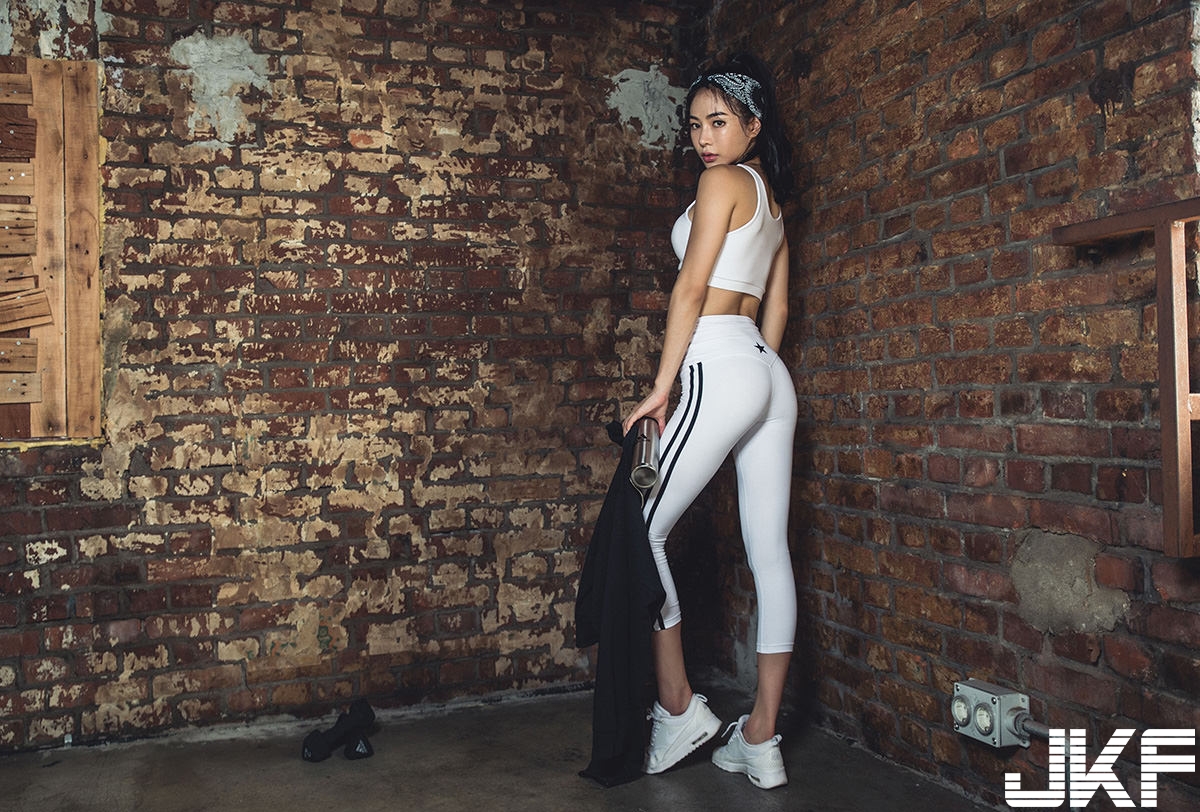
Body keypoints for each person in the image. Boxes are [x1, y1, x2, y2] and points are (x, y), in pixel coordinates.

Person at [620, 52, 798, 790]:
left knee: (640, 528)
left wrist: (663, 387)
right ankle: (761, 736)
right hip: (766, 370)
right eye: (695, 125)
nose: (703, 137)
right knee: (771, 555)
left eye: (719, 122)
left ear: (753, 125)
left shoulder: (720, 183)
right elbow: (778, 306)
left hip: (720, 359)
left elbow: (690, 290)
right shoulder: (773, 204)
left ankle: (679, 707)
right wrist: (756, 376)